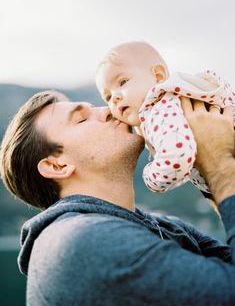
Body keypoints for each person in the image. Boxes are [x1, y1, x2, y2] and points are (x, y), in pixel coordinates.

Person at [1, 90, 235, 306]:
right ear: (57, 165)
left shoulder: (167, 226)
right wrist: (219, 166)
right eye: (82, 119)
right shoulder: (83, 242)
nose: (107, 110)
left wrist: (208, 167)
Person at [95, 41, 235, 194]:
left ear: (158, 76)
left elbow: (176, 158)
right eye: (108, 97)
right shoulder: (176, 99)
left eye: (123, 82)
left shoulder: (158, 110)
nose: (115, 97)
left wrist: (150, 175)